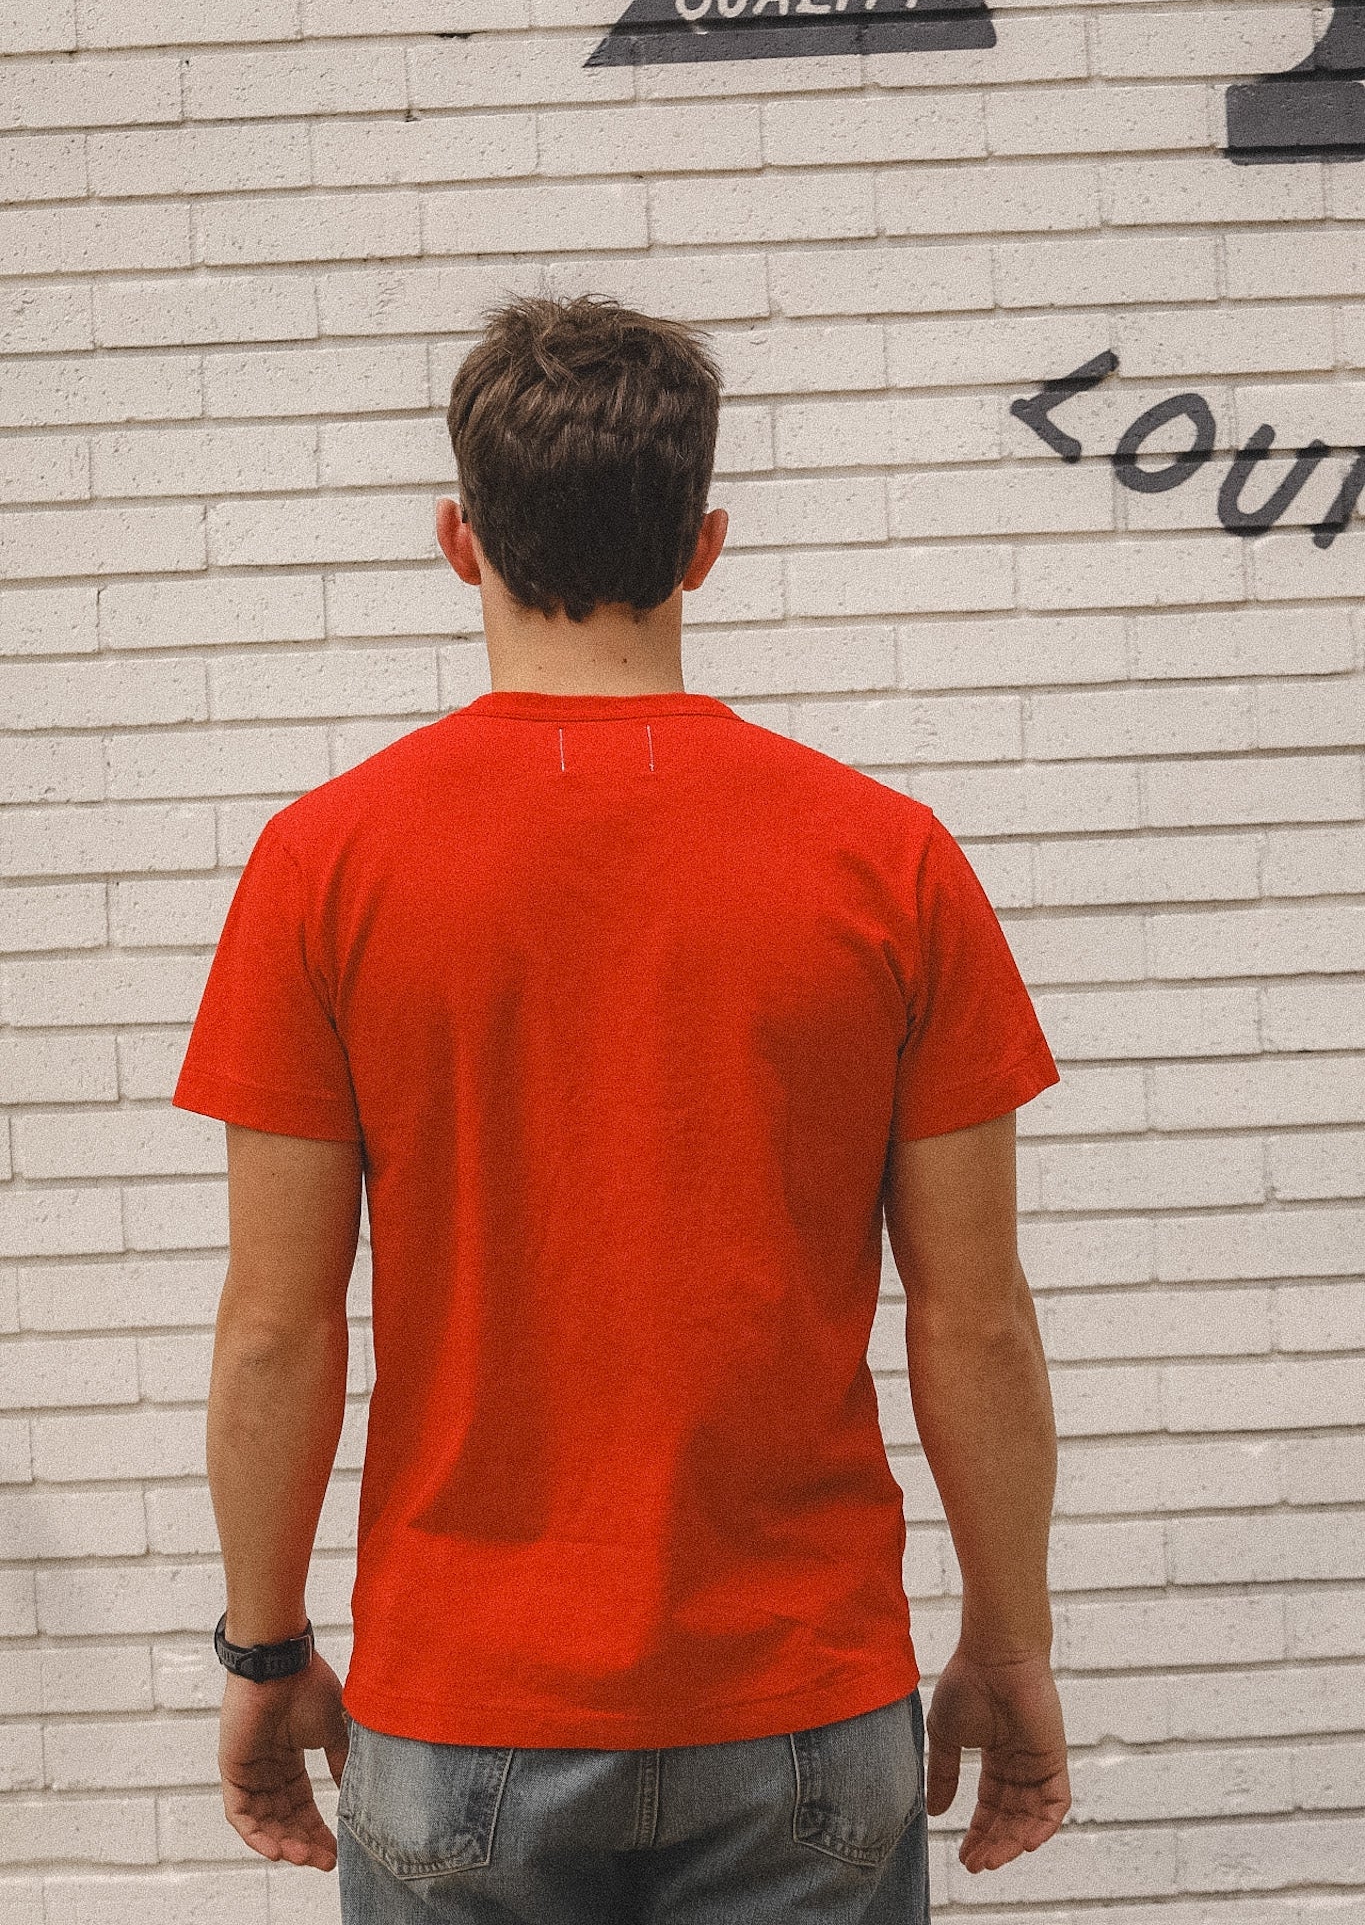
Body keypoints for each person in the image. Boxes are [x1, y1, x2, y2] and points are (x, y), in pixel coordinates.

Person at [172, 292, 1071, 1924]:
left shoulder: (325, 867)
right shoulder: (887, 863)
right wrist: (1008, 1649)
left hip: (462, 1706)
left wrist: (263, 1648)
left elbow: (275, 1329)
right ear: (704, 544)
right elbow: (979, 1319)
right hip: (800, 1701)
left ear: (459, 541)